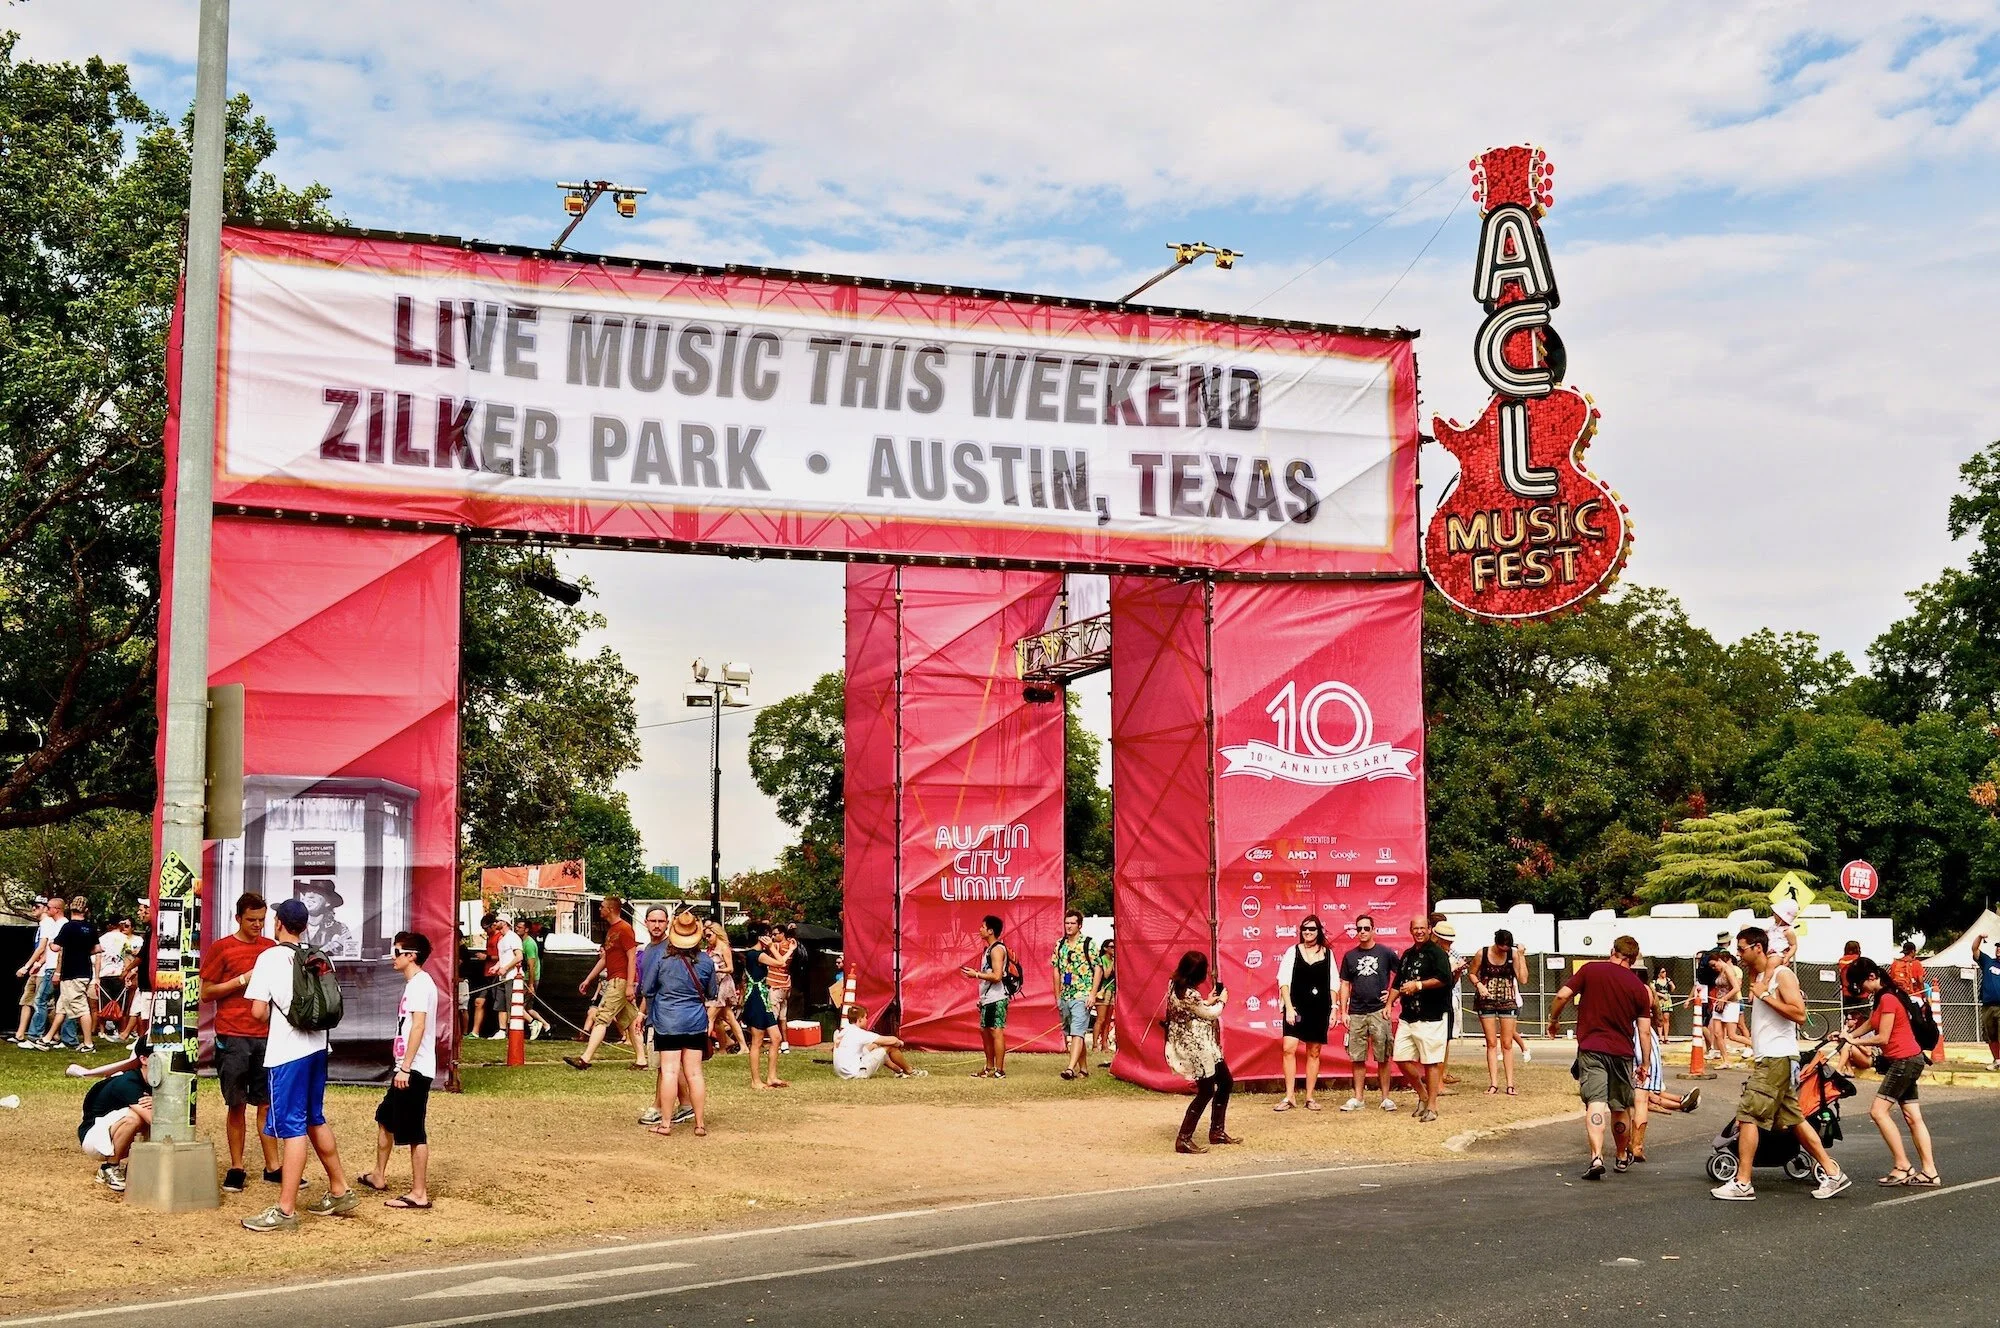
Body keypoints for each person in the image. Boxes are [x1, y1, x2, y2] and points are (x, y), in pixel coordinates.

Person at [242, 897, 360, 1231]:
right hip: (318, 1048)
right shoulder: (319, 955)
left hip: (287, 1054)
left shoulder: (269, 957)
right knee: (313, 1118)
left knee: (293, 1128)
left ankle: (285, 1210)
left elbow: (258, 1012)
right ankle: (339, 1189)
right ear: (305, 926)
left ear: (278, 923)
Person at [1711, 926, 1852, 1201]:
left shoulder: (1782, 975)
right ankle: (1833, 1172)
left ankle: (1743, 1182)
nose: (1738, 954)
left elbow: (1799, 1014)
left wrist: (1765, 995)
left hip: (1776, 1058)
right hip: (1772, 1058)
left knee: (1748, 1114)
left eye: (1741, 949)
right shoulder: (1761, 977)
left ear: (1758, 948)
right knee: (1794, 1120)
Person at [1546, 936, 1654, 1179]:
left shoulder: (1590, 970)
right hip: (1622, 1053)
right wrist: (1645, 1063)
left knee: (1595, 1102)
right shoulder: (1639, 988)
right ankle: (1621, 1156)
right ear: (1634, 959)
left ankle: (1596, 1157)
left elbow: (1562, 995)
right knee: (1620, 1106)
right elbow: (1645, 1031)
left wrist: (1554, 1020)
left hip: (1592, 1048)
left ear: (1612, 951)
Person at [200, 892, 282, 1192]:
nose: (257, 925)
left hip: (265, 1036)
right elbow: (206, 993)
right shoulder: (221, 948)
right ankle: (237, 1167)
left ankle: (273, 1166)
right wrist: (242, 980)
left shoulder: (271, 948)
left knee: (265, 1103)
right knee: (236, 1104)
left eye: (261, 920)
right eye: (251, 920)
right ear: (238, 918)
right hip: (232, 1035)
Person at [1838, 958, 1939, 1187]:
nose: (1860, 990)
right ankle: (1930, 1172)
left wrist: (1854, 1042)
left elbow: (1883, 1037)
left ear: (1872, 977)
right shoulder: (1883, 996)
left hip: (1904, 1060)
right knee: (1912, 1117)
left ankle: (1902, 1166)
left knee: (1878, 1112)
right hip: (1909, 1058)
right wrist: (1847, 1035)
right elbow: (1871, 1024)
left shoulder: (1888, 998)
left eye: (1860, 984)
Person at [358, 930, 438, 1209]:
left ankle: (419, 1193)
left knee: (414, 1131)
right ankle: (378, 1175)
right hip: (406, 1067)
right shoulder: (415, 984)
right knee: (385, 1117)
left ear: (411, 956)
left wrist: (405, 1068)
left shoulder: (420, 984)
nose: (392, 957)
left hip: (414, 1069)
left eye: (396, 952)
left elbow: (418, 1026)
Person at [642, 911, 718, 1137]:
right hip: (695, 1021)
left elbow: (647, 988)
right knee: (695, 1073)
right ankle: (700, 1124)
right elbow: (711, 992)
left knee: (669, 1072)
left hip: (667, 1021)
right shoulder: (706, 961)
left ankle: (665, 1124)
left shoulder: (662, 959)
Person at [1164, 950, 1239, 1153]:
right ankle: (1184, 1138)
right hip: (1197, 1046)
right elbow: (1210, 1014)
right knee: (1206, 1091)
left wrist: (1207, 1001)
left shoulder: (1175, 985)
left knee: (1225, 1081)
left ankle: (1217, 1131)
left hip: (1202, 1044)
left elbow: (1193, 1009)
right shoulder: (1190, 994)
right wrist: (1222, 1001)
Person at [565, 896, 648, 1072]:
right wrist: (588, 979)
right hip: (618, 980)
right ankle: (641, 1061)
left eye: (602, 906)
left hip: (620, 981)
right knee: (631, 1020)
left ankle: (585, 1059)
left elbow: (632, 958)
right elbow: (605, 959)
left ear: (610, 909)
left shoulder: (624, 929)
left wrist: (629, 985)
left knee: (602, 1017)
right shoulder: (612, 930)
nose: (599, 909)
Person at [1391, 916, 1454, 1122]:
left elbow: (1444, 979)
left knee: (1431, 1062)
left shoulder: (1438, 953)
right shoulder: (1408, 954)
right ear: (1411, 930)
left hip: (1432, 1015)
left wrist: (1418, 985)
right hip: (1408, 1015)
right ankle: (1423, 1095)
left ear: (1429, 929)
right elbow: (1398, 983)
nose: (1419, 931)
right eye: (1415, 928)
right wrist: (1388, 1003)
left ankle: (1432, 1107)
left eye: (1422, 928)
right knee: (1400, 1058)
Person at [1337, 914, 1399, 1112]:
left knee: (1383, 1056)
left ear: (1373, 930)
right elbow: (1345, 984)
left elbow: (1401, 975)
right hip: (1356, 1012)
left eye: (1366, 928)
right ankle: (1358, 1098)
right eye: (1359, 929)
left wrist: (1392, 996)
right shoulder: (1350, 956)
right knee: (1357, 1056)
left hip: (1379, 1011)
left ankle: (1386, 1098)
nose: (1362, 932)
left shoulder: (1385, 953)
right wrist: (1343, 1011)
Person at [1274, 917, 1333, 1111]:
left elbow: (1333, 983)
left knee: (1314, 1052)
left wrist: (1334, 1008)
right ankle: (1289, 1096)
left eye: (1312, 929)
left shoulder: (1328, 953)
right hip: (1296, 1008)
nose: (1308, 932)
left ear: (1318, 931)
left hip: (1319, 1009)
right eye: (1304, 929)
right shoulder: (1292, 951)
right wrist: (1289, 1008)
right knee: (1288, 1048)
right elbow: (1283, 981)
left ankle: (1309, 1097)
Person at [76, 1042, 152, 1193]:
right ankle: (109, 1168)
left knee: (142, 1116)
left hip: (110, 1131)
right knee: (136, 1117)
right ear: (144, 1059)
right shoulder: (128, 1082)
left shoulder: (152, 1081)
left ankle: (135, 1166)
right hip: (95, 1139)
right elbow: (153, 1120)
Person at [1629, 1003, 1701, 1161]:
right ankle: (1682, 1103)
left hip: (1639, 1062)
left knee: (1650, 1096)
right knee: (1650, 1097)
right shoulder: (1646, 1023)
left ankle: (1682, 1101)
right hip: (1645, 1062)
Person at [1468, 929, 1530, 1095]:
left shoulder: (1513, 954)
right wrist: (1479, 985)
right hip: (1486, 999)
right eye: (1500, 948)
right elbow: (1472, 973)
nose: (1503, 951)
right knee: (1491, 1042)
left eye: (1506, 949)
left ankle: (1510, 1084)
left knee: (1507, 1043)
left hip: (1507, 999)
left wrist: (1521, 956)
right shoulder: (1482, 953)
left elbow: (1523, 979)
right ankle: (1493, 1083)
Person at [47, 898, 102, 1054]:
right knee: (62, 1006)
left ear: (70, 909)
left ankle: (88, 1043)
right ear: (86, 910)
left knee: (81, 1008)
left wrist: (50, 942)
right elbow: (98, 948)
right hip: (85, 970)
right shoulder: (90, 927)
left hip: (71, 972)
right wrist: (83, 951)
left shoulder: (68, 927)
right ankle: (47, 1038)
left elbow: (55, 947)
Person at [959, 915, 1011, 1079]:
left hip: (997, 997)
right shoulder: (988, 949)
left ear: (990, 931)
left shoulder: (997, 949)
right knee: (985, 1031)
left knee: (996, 1030)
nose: (980, 929)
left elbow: (997, 976)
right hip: (987, 997)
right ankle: (989, 1067)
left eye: (983, 927)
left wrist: (976, 974)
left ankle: (999, 1070)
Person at [739, 922, 787, 1089]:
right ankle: (756, 1081)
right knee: (757, 1040)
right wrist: (772, 947)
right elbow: (780, 963)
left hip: (763, 998)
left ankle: (772, 1077)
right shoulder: (756, 955)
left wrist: (778, 949)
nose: (771, 938)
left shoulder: (757, 954)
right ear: (762, 937)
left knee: (776, 1037)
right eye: (769, 935)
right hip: (756, 999)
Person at [1051, 909, 1096, 1080]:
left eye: (1072, 923)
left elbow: (1098, 968)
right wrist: (1057, 995)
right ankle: (1083, 1068)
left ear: (1080, 925)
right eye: (1067, 923)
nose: (1069, 926)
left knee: (1077, 1031)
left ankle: (1070, 1068)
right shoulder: (1060, 944)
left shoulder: (1088, 943)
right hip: (1066, 994)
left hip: (1082, 993)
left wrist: (1092, 994)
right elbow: (1056, 970)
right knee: (1075, 1032)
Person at [17, 895, 68, 1048]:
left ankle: (36, 1037)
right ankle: (55, 1036)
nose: (33, 908)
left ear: (49, 908)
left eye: (38, 906)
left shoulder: (52, 924)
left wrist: (30, 965)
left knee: (43, 1001)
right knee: (42, 1001)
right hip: (44, 967)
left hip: (49, 969)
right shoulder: (49, 923)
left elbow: (47, 948)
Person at [832, 1005, 927, 1079]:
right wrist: (899, 1042)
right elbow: (890, 1040)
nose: (866, 1020)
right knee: (889, 1047)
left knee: (875, 1047)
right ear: (860, 1019)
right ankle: (910, 1071)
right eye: (865, 1017)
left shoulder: (842, 1032)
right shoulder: (859, 1033)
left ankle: (899, 1071)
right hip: (854, 1073)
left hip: (842, 1072)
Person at [707, 921, 746, 1055]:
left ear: (716, 934)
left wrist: (717, 969)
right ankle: (729, 1045)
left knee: (710, 1016)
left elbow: (730, 968)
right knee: (727, 1018)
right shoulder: (711, 949)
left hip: (724, 984)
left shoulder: (724, 948)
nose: (707, 939)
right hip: (715, 984)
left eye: (709, 935)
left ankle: (702, 1046)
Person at [95, 917, 134, 1040]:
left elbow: (98, 959)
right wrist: (127, 973)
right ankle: (120, 1029)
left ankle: (102, 1031)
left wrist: (96, 977)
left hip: (104, 974)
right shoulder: (125, 939)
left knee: (103, 1004)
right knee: (120, 1003)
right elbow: (128, 957)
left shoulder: (102, 939)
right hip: (119, 974)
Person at [295, 879, 355, 957]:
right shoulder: (293, 926)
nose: (310, 896)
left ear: (328, 902)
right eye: (308, 891)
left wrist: (337, 950)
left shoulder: (340, 929)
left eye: (317, 892)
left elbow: (349, 956)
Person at [1971, 931, 2000, 1071]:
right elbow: (1975, 949)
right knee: (1991, 1035)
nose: (1998, 949)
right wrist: (1980, 938)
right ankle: (1997, 1060)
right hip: (1988, 1006)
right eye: (1998, 947)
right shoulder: (1988, 962)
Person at [517, 922, 550, 1040]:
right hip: (528, 978)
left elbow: (532, 966)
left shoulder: (529, 944)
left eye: (519, 927)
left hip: (529, 978)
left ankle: (534, 1024)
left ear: (526, 929)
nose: (517, 929)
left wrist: (530, 985)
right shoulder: (522, 942)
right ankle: (546, 1025)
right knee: (528, 1008)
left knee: (518, 1007)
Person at [1090, 939, 1118, 1061]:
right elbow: (1106, 975)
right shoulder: (1102, 959)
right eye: (1111, 947)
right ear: (1105, 948)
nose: (1114, 949)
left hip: (1111, 990)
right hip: (1103, 990)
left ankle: (1104, 1043)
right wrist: (1113, 962)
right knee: (1100, 1019)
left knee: (1107, 1020)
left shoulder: (1112, 960)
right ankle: (1095, 1044)